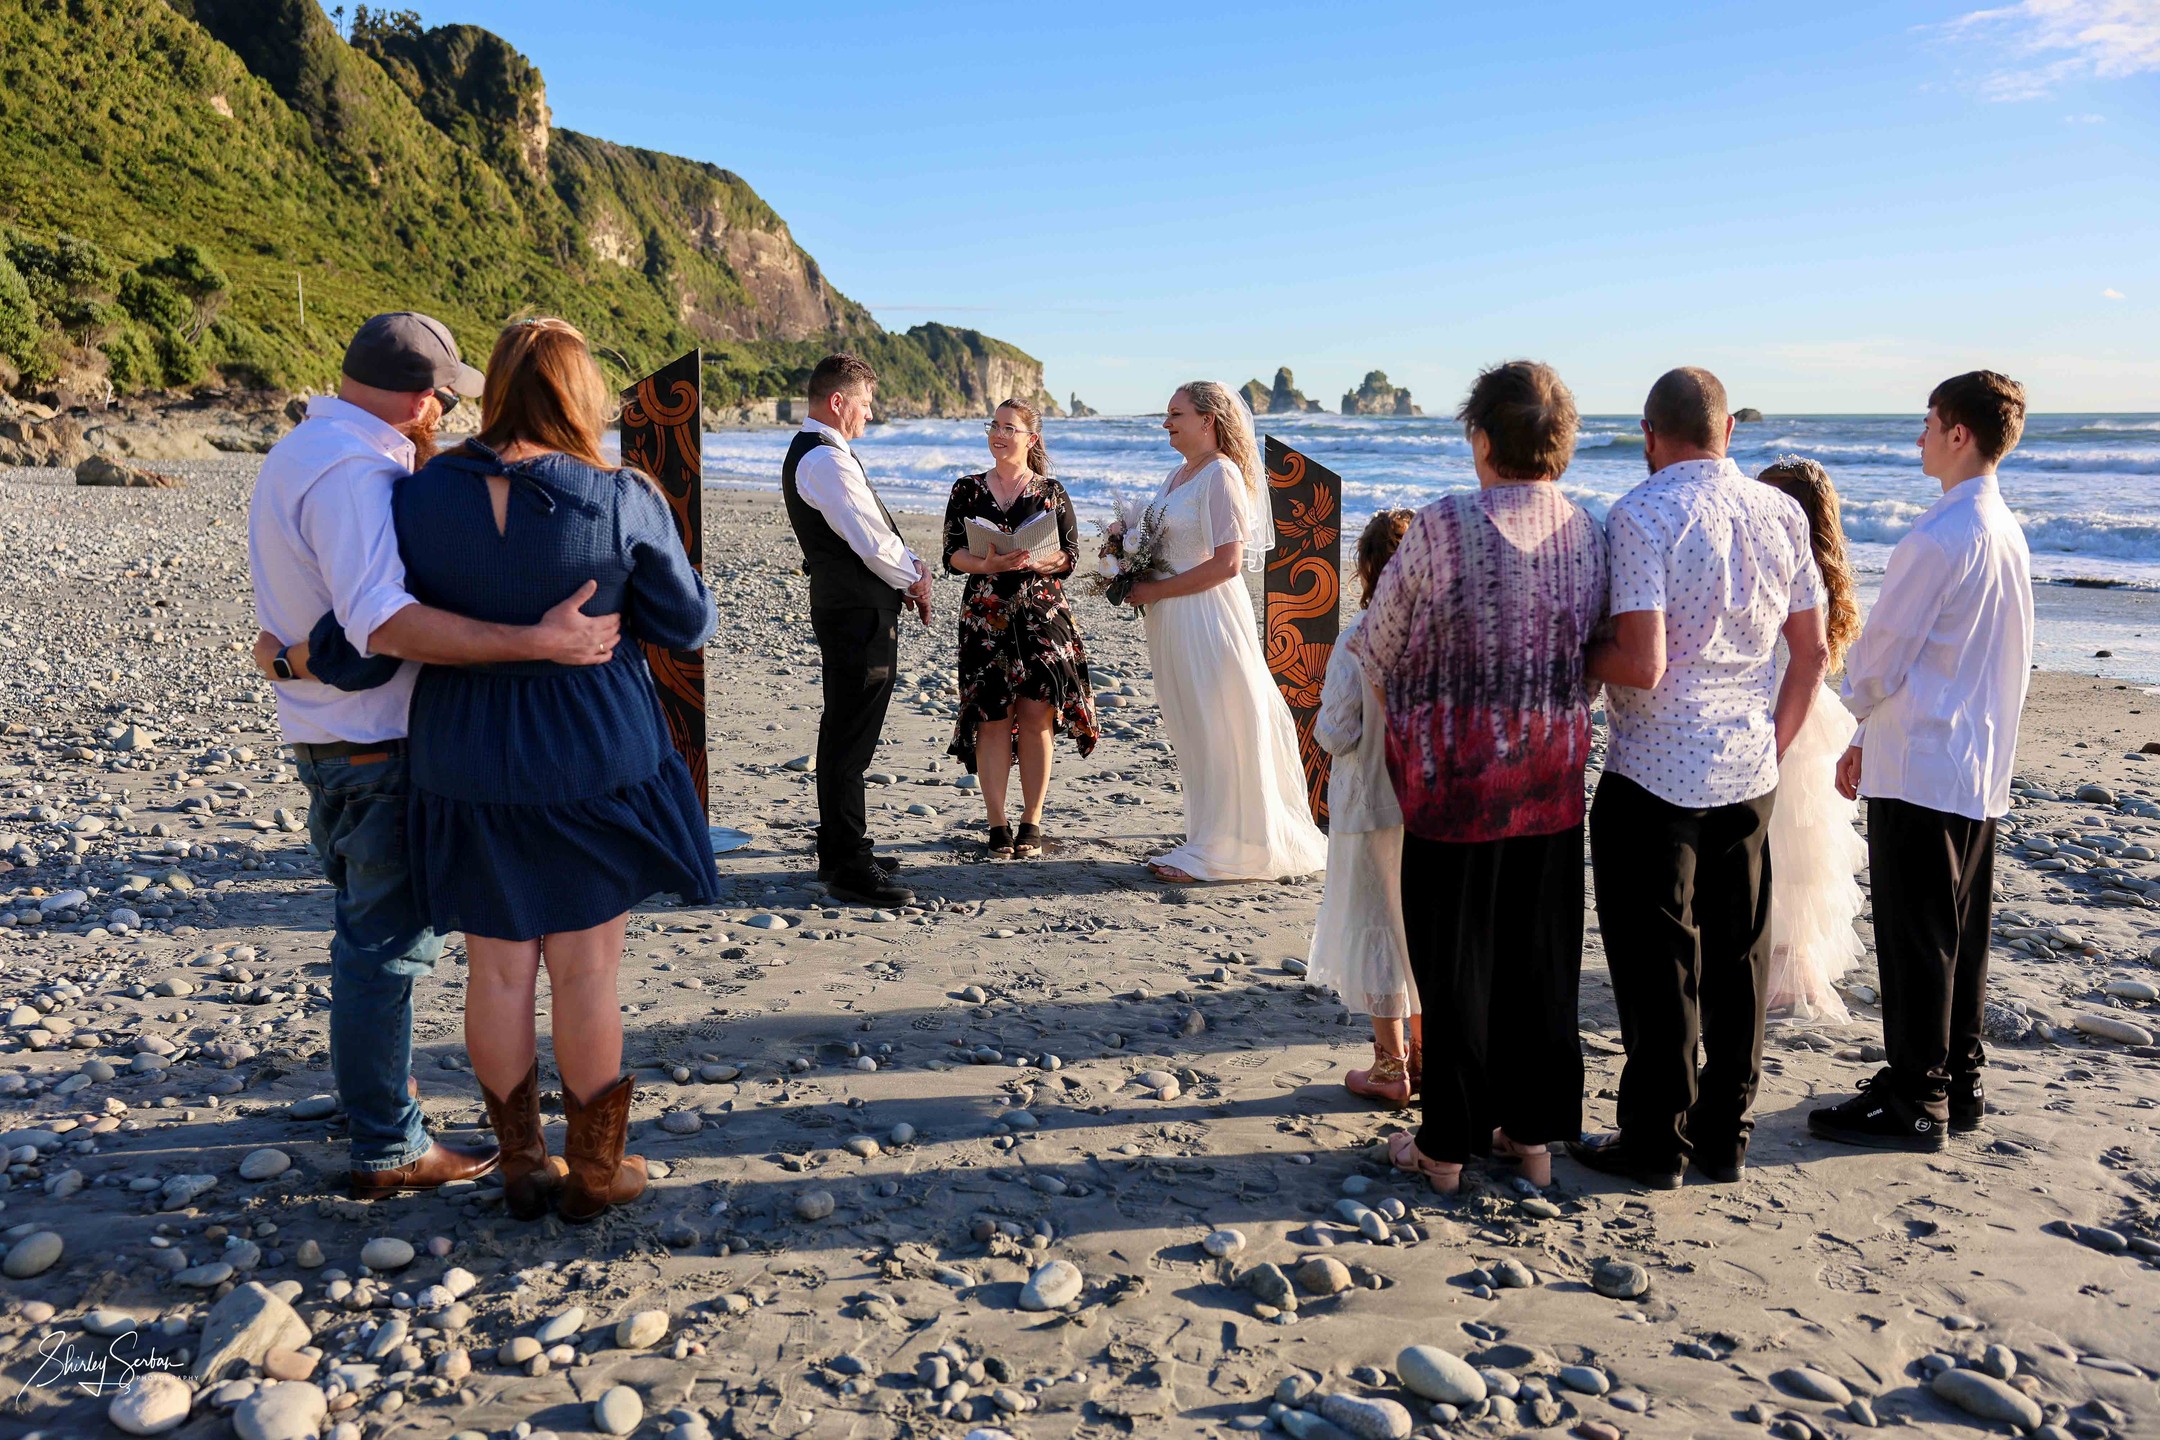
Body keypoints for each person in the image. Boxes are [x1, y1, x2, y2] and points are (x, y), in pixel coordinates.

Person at [288, 317, 722, 1223]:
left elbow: (368, 640)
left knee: (496, 972)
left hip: (465, 756)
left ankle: (524, 1164)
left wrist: (294, 654)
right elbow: (685, 624)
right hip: (590, 752)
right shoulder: (619, 494)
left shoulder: (418, 493)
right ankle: (597, 1171)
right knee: (588, 971)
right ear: (581, 393)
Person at [246, 311, 622, 1198]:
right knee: (386, 945)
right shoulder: (355, 474)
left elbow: (336, 611)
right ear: (421, 400)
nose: (449, 420)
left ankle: (385, 1097)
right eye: (444, 404)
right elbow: (379, 625)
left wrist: (288, 656)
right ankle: (387, 1142)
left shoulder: (306, 446)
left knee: (371, 932)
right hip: (373, 735)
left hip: (324, 724)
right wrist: (535, 641)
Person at [1352, 362, 1608, 1192]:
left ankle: (1447, 1147)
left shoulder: (1440, 527)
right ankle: (1530, 1139)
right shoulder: (1588, 533)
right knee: (1539, 965)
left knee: (1454, 967)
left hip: (1451, 783)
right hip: (1550, 780)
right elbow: (1590, 664)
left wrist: (1409, 729)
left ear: (1482, 439)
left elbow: (1378, 643)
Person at [1572, 366, 1828, 1190]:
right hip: (1748, 766)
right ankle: (1725, 1134)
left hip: (1653, 772)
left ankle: (1655, 1140)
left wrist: (1581, 656)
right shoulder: (1780, 510)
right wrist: (1778, 741)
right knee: (1739, 960)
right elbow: (1813, 651)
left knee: (1658, 965)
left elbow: (1642, 665)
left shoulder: (1640, 513)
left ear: (1651, 435)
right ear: (1727, 432)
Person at [1811, 372, 2034, 1150]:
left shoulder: (1937, 538)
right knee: (1961, 931)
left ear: (1960, 435)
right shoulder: (2005, 530)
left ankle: (1914, 1096)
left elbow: (1883, 656)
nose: (1920, 438)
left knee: (1918, 936)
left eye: (1929, 424)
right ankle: (1958, 1079)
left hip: (1925, 757)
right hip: (1977, 756)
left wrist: (1858, 712)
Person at [1123, 381, 1326, 884]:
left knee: (1222, 722)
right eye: (1167, 414)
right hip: (1171, 617)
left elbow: (1229, 563)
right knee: (1191, 726)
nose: (1166, 422)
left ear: (1208, 420)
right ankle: (1207, 836)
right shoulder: (1177, 474)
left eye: (1176, 414)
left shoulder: (1222, 474)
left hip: (1207, 615)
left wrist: (1155, 592)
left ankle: (1228, 850)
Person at [782, 354, 933, 907]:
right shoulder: (824, 460)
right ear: (838, 402)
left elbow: (869, 532)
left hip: (850, 607)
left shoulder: (824, 454)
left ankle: (839, 846)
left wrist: (909, 568)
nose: (870, 415)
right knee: (850, 736)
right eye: (865, 403)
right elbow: (870, 540)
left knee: (846, 728)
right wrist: (914, 578)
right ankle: (847, 861)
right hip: (856, 612)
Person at [942, 399, 1098, 858]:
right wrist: (986, 562)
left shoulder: (1051, 491)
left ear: (1031, 438)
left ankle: (1031, 821)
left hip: (1041, 613)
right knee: (991, 718)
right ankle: (997, 825)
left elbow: (1069, 555)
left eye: (1010, 427)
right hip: (986, 614)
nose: (999, 433)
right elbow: (953, 554)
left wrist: (1037, 559)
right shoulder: (966, 488)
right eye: (995, 425)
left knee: (1036, 716)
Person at [1308, 509, 1421, 1107]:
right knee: (1421, 929)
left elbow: (1336, 730)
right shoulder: (1438, 629)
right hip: (1426, 801)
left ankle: (1389, 1065)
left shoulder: (1358, 636)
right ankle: (1429, 1057)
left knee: (1377, 927)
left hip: (1369, 797)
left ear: (1367, 569)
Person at [1755, 456, 1866, 1023]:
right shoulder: (1824, 569)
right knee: (1796, 846)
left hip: (1784, 712)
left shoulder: (1784, 563)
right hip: (1809, 707)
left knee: (1788, 846)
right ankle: (1785, 963)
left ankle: (1785, 968)